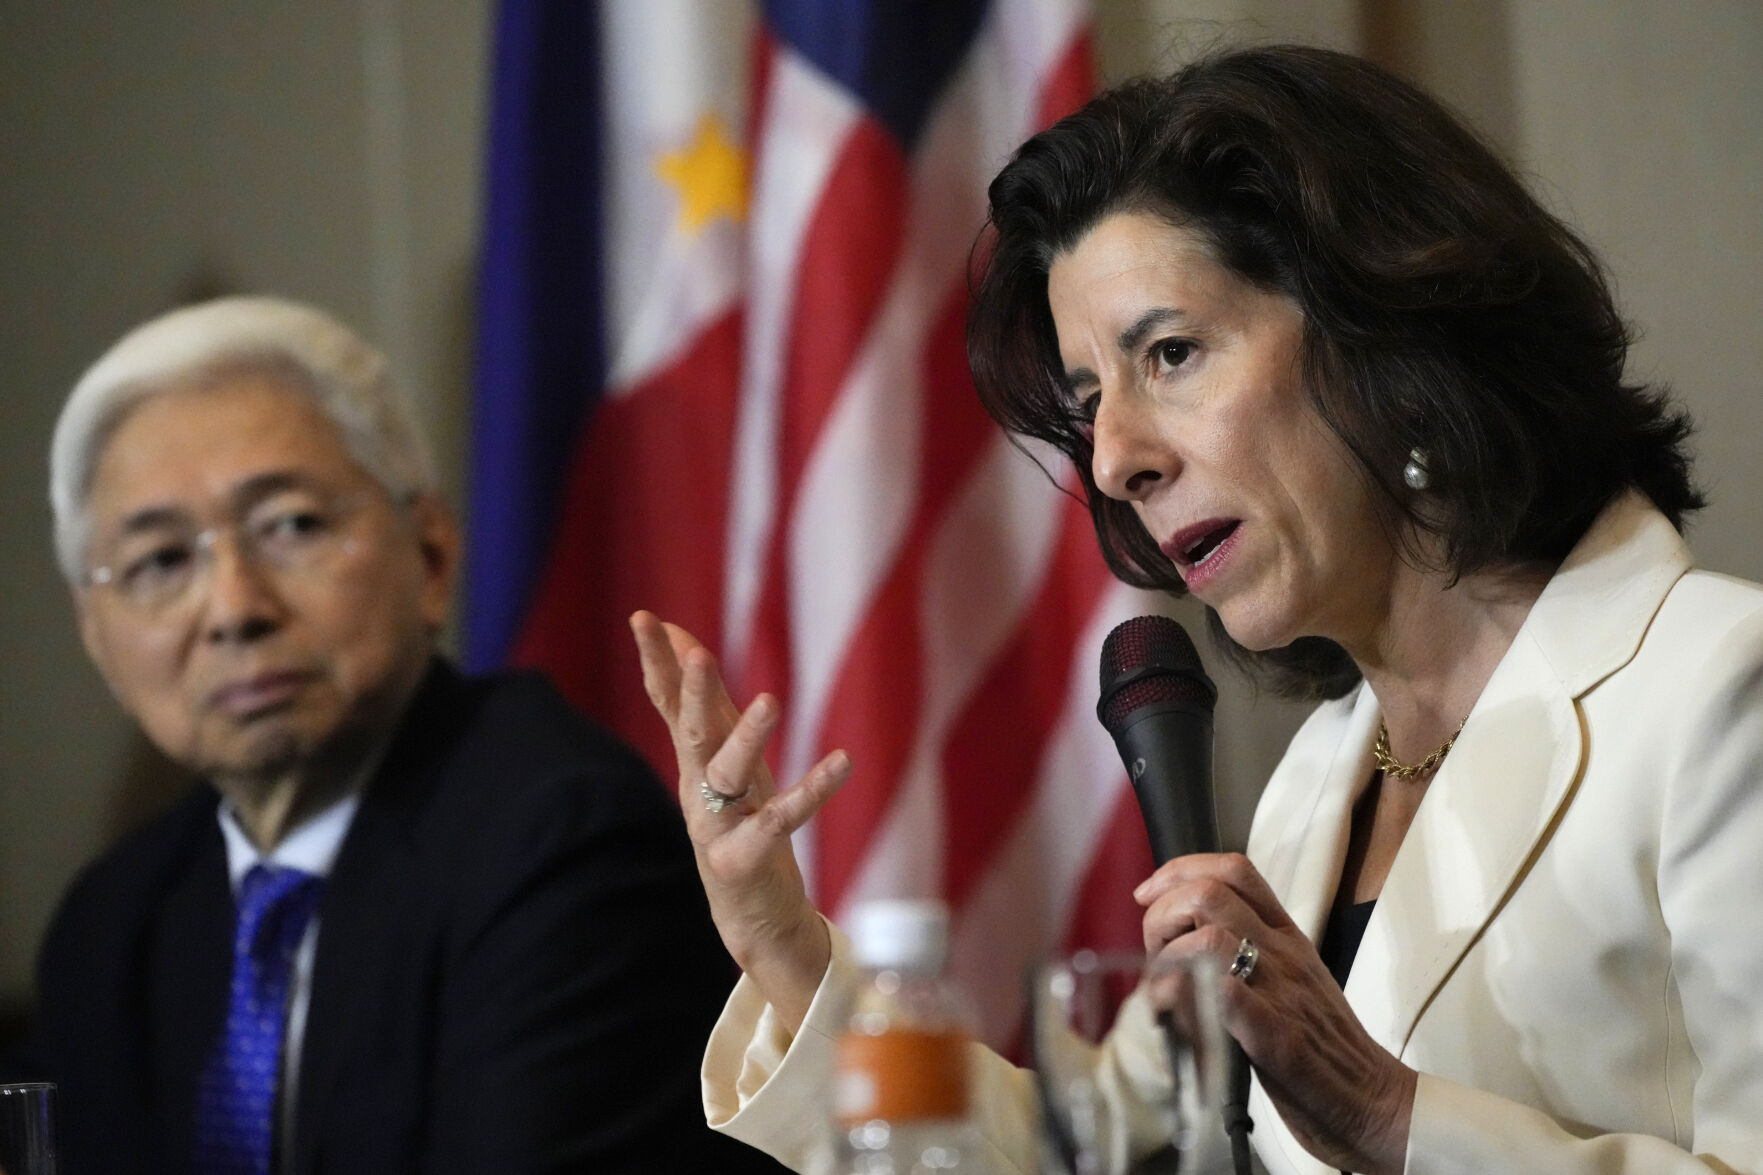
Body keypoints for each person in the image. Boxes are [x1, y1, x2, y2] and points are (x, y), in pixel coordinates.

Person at [630, 44, 1763, 1175]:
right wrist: (789, 957)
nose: (1114, 457)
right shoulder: (1316, 782)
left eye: (1169, 353)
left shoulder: (1716, 691)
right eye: (1090, 404)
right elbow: (1071, 1149)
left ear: (1387, 331)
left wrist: (1389, 1115)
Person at [28, 296, 789, 1174]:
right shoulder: (115, 919)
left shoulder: (559, 839)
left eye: (291, 526)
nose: (234, 608)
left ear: (429, 554)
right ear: (96, 633)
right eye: (162, 560)